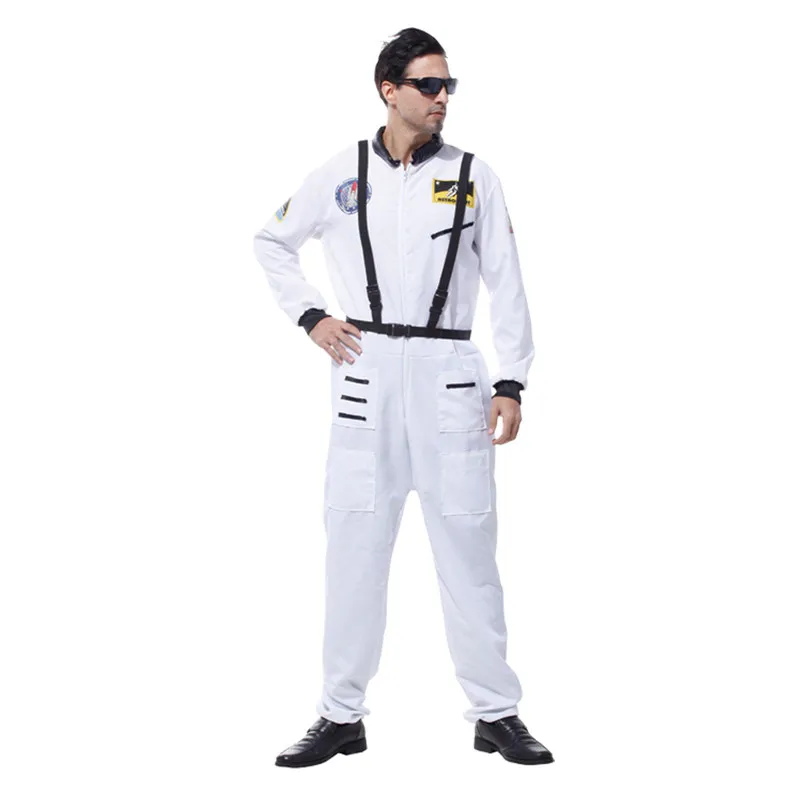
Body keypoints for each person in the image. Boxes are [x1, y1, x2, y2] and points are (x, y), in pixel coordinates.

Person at [253, 27, 554, 768]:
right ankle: (339, 715)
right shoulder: (342, 172)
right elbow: (271, 241)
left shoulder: (474, 175)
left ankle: (496, 712)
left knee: (469, 551)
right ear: (389, 90)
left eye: (448, 85)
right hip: (366, 371)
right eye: (429, 84)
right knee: (354, 550)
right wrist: (311, 316)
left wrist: (511, 379)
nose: (442, 97)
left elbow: (508, 281)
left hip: (451, 374)